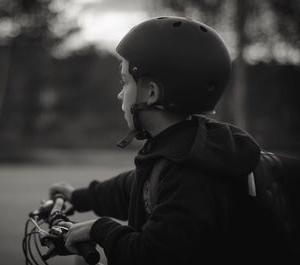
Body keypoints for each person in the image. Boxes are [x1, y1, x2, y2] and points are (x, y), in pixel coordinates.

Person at [49, 16, 286, 264]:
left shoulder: (193, 172)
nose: (120, 93)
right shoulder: (181, 149)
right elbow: (131, 188)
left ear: (151, 93)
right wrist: (78, 196)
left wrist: (99, 229)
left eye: (125, 81)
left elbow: (151, 255)